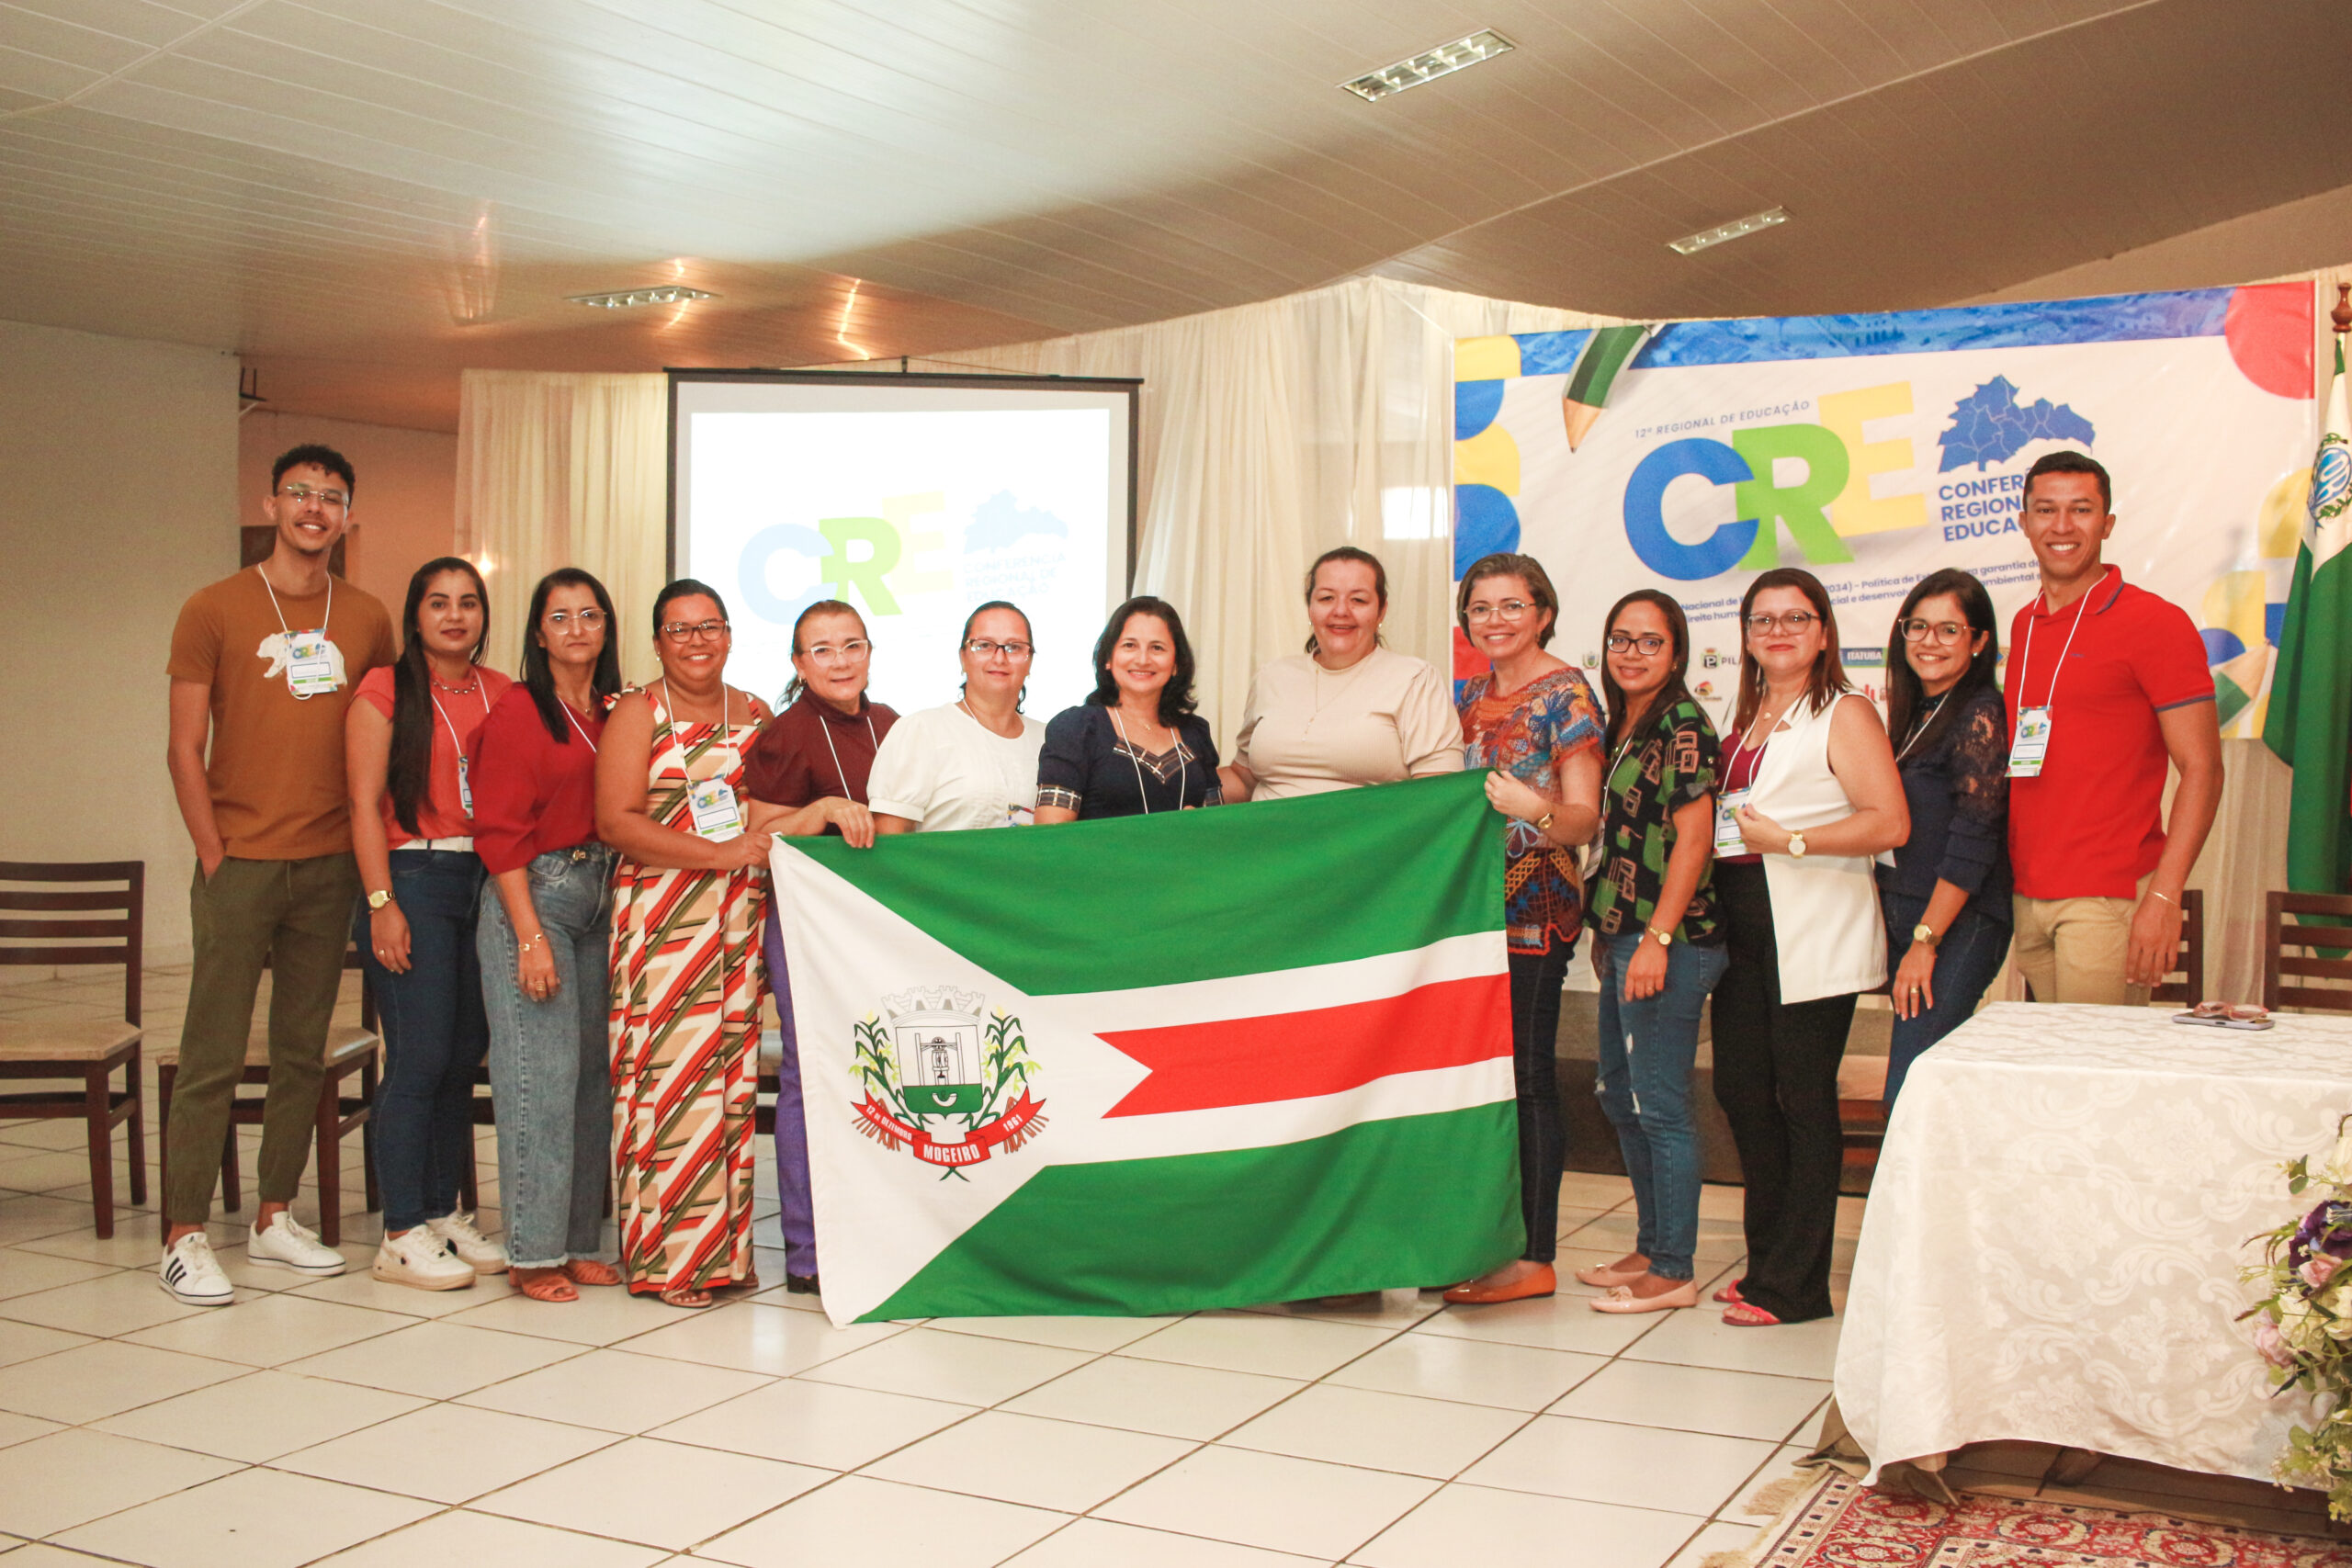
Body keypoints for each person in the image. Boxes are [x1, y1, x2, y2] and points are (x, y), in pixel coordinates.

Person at [160, 444, 395, 1305]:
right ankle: (184, 1231)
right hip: (242, 863)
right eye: (300, 492)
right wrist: (216, 853)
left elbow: (383, 737)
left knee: (303, 1050)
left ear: (345, 515)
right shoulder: (213, 606)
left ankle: (272, 1215)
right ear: (272, 501)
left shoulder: (367, 616)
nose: (314, 508)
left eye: (332, 497)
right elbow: (185, 745)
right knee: (212, 1052)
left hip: (331, 863)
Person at [1713, 568, 1907, 1327]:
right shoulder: (1753, 712)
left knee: (1801, 1101)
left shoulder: (1845, 712)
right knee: (1741, 1090)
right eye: (1763, 620)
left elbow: (1889, 821)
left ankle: (1795, 1287)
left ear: (1824, 631)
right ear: (1747, 635)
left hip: (1812, 927)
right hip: (1747, 925)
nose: (1779, 631)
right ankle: (1765, 1263)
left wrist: (1793, 839)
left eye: (1797, 618)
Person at [596, 580, 775, 1307]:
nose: (697, 642)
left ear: (730, 635)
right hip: (662, 925)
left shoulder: (758, 713)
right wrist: (723, 854)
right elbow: (615, 821)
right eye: (680, 630)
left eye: (710, 628)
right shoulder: (637, 712)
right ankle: (668, 1260)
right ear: (657, 640)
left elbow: (770, 817)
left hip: (737, 923)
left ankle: (723, 1254)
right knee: (669, 1088)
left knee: (729, 1085)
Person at [1441, 555, 1602, 1307]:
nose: (1495, 620)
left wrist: (1527, 805)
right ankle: (1484, 1237)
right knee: (1481, 1082)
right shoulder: (1466, 693)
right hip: (1467, 916)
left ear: (1543, 611)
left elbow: (1583, 817)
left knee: (1530, 1077)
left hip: (1535, 911)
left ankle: (1534, 1255)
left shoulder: (1566, 693)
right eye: (1481, 608)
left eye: (1512, 606)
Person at [347, 558, 512, 1290]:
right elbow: (361, 806)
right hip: (413, 876)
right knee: (416, 1056)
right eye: (438, 603)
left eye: (468, 603)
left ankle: (444, 1213)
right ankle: (400, 1229)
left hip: (485, 878)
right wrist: (383, 904)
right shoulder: (383, 691)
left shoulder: (502, 691)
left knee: (460, 1054)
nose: (455, 616)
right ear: (414, 613)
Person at [2004, 451, 2222, 1005]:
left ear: (2107, 524)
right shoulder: (2025, 624)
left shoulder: (2155, 623)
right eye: (2046, 510)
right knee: (2051, 1077)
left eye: (2081, 510)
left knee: (2092, 1079)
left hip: (2107, 899)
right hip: (2028, 896)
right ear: (2023, 520)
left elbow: (2203, 769)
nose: (2062, 526)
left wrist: (2165, 897)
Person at [470, 569, 627, 1303]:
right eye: (559, 617)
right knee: (542, 1076)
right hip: (534, 898)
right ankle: (532, 1252)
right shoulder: (516, 711)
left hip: (603, 899)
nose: (576, 629)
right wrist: (528, 934)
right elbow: (497, 832)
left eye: (589, 615)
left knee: (593, 1076)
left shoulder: (617, 711)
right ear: (538, 632)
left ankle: (575, 1241)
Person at [1577, 590, 1729, 1315]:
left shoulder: (1683, 725)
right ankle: (1649, 1244)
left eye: (1649, 641)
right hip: (1624, 933)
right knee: (1618, 1091)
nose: (1631, 652)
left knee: (1660, 1103)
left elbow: (1694, 841)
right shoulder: (1624, 720)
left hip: (1671, 939)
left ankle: (1674, 1268)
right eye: (1620, 639)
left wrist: (1658, 940)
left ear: (1677, 652)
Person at [741, 599, 897, 1297]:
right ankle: (806, 1247)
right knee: (810, 1074)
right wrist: (824, 811)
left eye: (851, 645)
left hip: (880, 924)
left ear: (869, 651)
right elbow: (760, 832)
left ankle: (878, 1227)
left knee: (876, 1072)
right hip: (805, 924)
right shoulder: (785, 733)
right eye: (822, 650)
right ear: (799, 664)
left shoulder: (893, 724)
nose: (840, 661)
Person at [1878, 570, 2012, 1107]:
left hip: (1955, 926)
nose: (1929, 641)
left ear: (1979, 642)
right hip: (1908, 917)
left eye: (1948, 630)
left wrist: (1925, 941)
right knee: (1924, 1093)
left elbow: (1975, 836)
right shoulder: (1916, 714)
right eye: (1918, 626)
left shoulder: (1979, 713)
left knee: (1909, 1094)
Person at [1221, 547, 1461, 803]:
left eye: (1358, 600)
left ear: (1381, 611)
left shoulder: (1416, 680)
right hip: (1268, 838)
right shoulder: (1271, 677)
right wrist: (1181, 783)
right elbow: (1244, 779)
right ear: (1310, 607)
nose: (1341, 611)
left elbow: (1438, 794)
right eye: (1326, 598)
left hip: (1367, 841)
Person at [1035, 596, 1221, 822]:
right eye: (1129, 645)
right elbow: (1052, 834)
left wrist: (1200, 825)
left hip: (1184, 857)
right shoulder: (1077, 729)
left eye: (1157, 648)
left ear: (1176, 664)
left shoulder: (1196, 733)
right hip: (1099, 858)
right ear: (1108, 659)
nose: (1143, 659)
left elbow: (1215, 829)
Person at [869, 602, 1046, 834]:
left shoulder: (1050, 739)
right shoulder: (921, 730)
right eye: (984, 645)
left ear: (1030, 661)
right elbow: (889, 843)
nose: (1000, 657)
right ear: (962, 658)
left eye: (1014, 647)